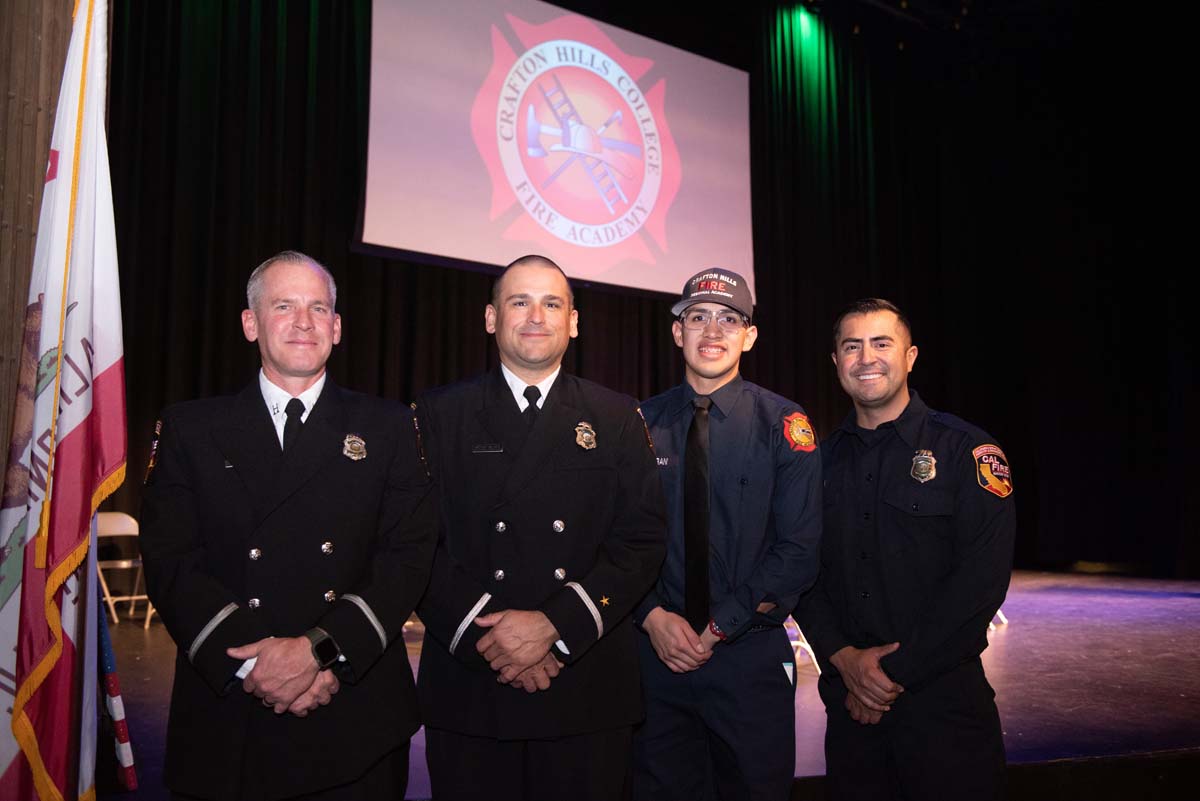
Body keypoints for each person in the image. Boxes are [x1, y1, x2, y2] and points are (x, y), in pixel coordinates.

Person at [140, 251, 437, 800]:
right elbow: (170, 559)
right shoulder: (191, 427)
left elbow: (410, 555)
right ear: (250, 323)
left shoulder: (390, 426)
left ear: (337, 327)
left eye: (318, 308)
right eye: (284, 306)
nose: (304, 322)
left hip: (354, 713)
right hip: (230, 709)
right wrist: (255, 662)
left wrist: (319, 651)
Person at [413, 254, 666, 801]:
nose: (536, 316)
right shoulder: (438, 414)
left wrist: (555, 626)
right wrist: (496, 639)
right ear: (490, 318)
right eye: (518, 302)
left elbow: (641, 541)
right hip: (473, 684)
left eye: (552, 303)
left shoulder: (617, 415)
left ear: (573, 322)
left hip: (585, 685)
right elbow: (412, 545)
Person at [796, 298, 1014, 800]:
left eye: (881, 343)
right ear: (836, 362)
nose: (866, 358)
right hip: (851, 713)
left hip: (945, 710)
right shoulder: (814, 465)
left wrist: (887, 676)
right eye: (852, 346)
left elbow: (980, 585)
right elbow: (803, 575)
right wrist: (845, 659)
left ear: (910, 356)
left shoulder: (967, 452)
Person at [632, 268, 822, 801]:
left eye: (728, 319)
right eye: (698, 317)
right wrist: (652, 616)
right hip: (656, 657)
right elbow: (615, 540)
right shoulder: (639, 425)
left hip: (747, 657)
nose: (712, 331)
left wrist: (718, 628)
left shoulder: (784, 425)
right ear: (677, 332)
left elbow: (798, 550)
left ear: (749, 336)